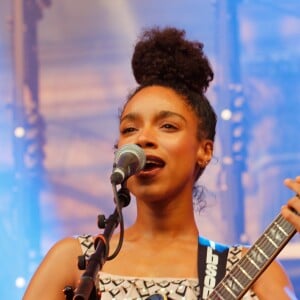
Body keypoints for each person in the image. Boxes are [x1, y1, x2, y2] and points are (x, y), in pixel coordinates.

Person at [23, 26, 299, 300]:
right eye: (130, 129)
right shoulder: (76, 261)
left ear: (205, 150)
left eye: (167, 126)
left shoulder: (256, 271)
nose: (143, 138)